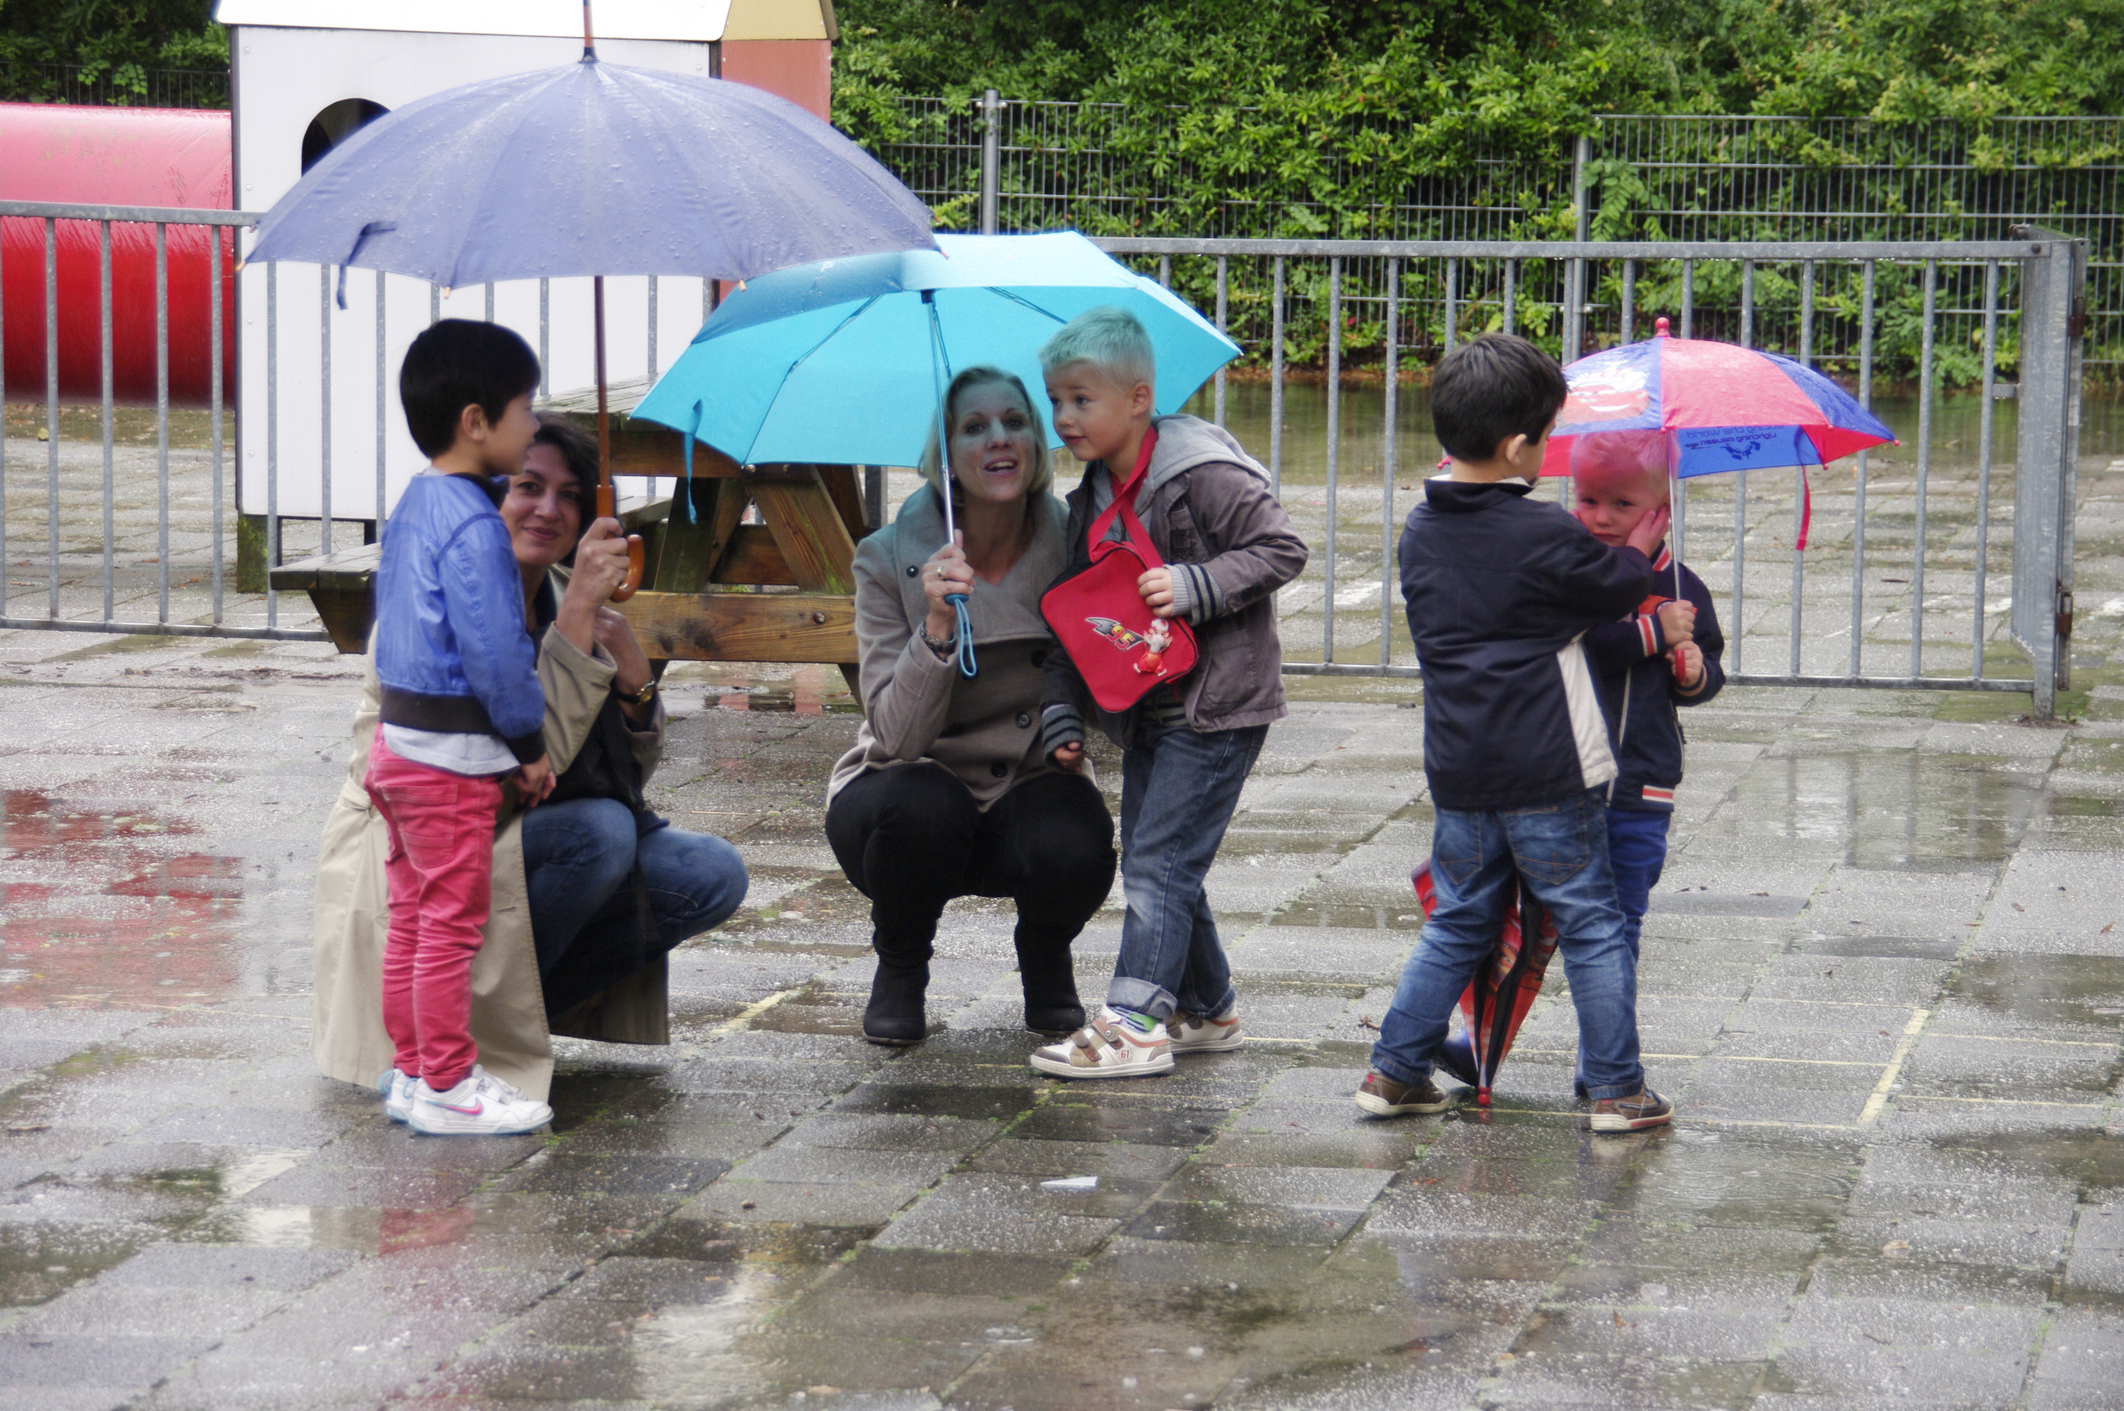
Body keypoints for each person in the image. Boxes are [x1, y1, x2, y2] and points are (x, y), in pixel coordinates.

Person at [313, 414, 748, 1112]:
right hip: (428, 841)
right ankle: (444, 1048)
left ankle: (497, 1020)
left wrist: (636, 692)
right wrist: (574, 631)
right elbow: (496, 779)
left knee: (707, 873)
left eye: (570, 494)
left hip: (504, 839)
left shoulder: (563, 591)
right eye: (528, 486)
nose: (549, 509)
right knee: (596, 835)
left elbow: (614, 776)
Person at [1357, 332, 1675, 1133]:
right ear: (1514, 446)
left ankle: (1393, 1072)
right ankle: (1616, 1088)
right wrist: (1641, 549)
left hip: (1461, 768)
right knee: (1593, 919)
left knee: (1459, 917)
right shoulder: (1540, 534)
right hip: (1546, 771)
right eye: (1543, 438)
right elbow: (1612, 588)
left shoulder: (1420, 534)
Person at [1031, 307, 1307, 1079]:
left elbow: (1284, 546)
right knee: (1166, 860)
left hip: (1217, 703)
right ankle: (1207, 1008)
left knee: (1158, 862)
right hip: (1149, 704)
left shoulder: (1200, 471)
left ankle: (1136, 1023)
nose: (1063, 417)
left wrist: (1197, 583)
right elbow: (1075, 609)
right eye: (1056, 400)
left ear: (1139, 398)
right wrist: (1064, 707)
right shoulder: (1090, 496)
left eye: (1081, 400)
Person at [826, 365, 1116, 1046]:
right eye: (974, 426)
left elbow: (1105, 680)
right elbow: (894, 738)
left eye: (1015, 421)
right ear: (945, 453)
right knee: (921, 803)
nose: (998, 439)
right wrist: (933, 626)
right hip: (902, 791)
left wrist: (1076, 716)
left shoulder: (1081, 545)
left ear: (1039, 443)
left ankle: (1046, 951)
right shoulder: (885, 559)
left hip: (1027, 779)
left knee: (1077, 838)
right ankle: (900, 964)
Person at [1435, 431, 1725, 1095]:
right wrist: (1655, 632)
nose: (1597, 516)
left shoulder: (1685, 589)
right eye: (1588, 498)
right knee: (1523, 930)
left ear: (1661, 511)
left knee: (1615, 929)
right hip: (1555, 783)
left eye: (1620, 503)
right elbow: (1590, 646)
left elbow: (1710, 674)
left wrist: (1692, 670)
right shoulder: (1568, 576)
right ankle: (1479, 1048)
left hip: (1637, 787)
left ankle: (1604, 1067)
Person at [365, 320, 556, 1137]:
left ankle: (412, 1070)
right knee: (451, 923)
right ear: (476, 421)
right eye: (527, 405)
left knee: (412, 913)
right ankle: (448, 1083)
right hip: (449, 759)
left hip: (398, 745)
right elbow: (495, 654)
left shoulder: (414, 502)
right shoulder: (477, 526)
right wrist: (530, 743)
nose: (536, 424)